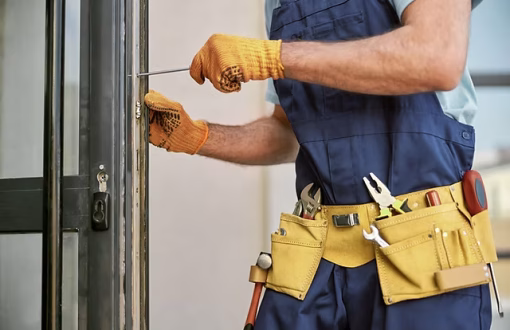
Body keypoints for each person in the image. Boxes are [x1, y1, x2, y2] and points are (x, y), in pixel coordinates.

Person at [145, 0, 497, 329]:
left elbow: (435, 56)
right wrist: (198, 137)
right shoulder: (280, 4)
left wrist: (275, 57)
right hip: (320, 253)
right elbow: (289, 131)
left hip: (424, 253)